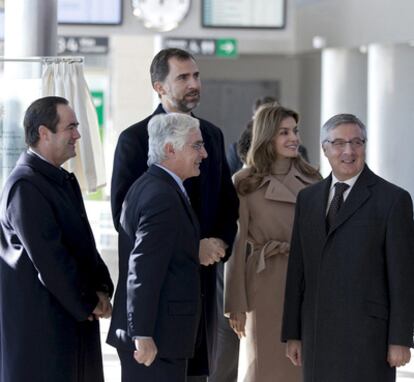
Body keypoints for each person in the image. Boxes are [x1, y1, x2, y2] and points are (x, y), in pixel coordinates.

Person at [110, 48, 239, 380]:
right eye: (183, 77)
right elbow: (126, 219)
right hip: (157, 294)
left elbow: (227, 201)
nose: (193, 83)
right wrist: (190, 247)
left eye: (196, 75)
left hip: (200, 289)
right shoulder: (135, 139)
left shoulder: (210, 135)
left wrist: (218, 244)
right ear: (159, 86)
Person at [282, 113, 414, 382]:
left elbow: (403, 277)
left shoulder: (393, 200)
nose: (349, 151)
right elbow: (298, 270)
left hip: (369, 338)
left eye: (357, 142)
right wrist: (293, 333)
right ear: (325, 148)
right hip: (317, 334)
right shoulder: (307, 199)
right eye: (339, 143)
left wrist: (401, 338)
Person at [0, 96, 114, 382]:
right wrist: (87, 302)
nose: (77, 134)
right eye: (70, 127)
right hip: (43, 333)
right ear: (43, 133)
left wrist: (101, 288)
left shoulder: (60, 179)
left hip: (70, 322)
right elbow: (51, 260)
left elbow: (84, 244)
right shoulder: (25, 185)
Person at [224, 104, 320, 382]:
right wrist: (235, 304)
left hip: (306, 285)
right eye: (284, 132)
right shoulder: (244, 182)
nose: (294, 138)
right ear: (267, 136)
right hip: (263, 285)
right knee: (262, 365)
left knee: (302, 367)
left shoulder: (313, 179)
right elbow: (237, 246)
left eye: (295, 131)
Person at [108, 113, 207, 381]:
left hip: (161, 335)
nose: (205, 153)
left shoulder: (154, 186)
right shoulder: (161, 196)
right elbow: (142, 269)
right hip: (156, 339)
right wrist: (142, 333)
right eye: (196, 146)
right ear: (169, 148)